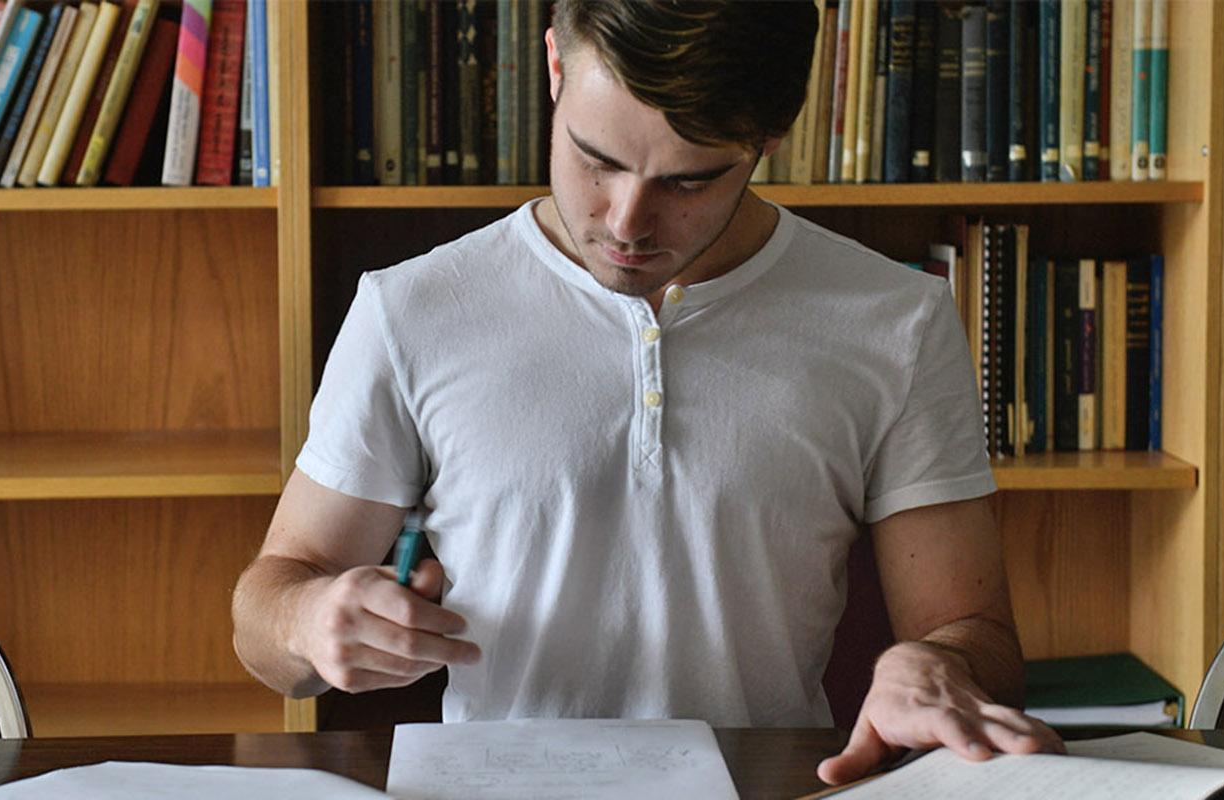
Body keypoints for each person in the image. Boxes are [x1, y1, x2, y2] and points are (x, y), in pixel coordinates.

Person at [232, 0, 1063, 784]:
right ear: (554, 63)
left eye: (689, 182)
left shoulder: (898, 321)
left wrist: (938, 666)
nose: (628, 221)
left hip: (768, 790)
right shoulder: (410, 309)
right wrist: (309, 622)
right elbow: (266, 618)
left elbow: (979, 636)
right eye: (596, 159)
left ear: (771, 135)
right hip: (490, 794)